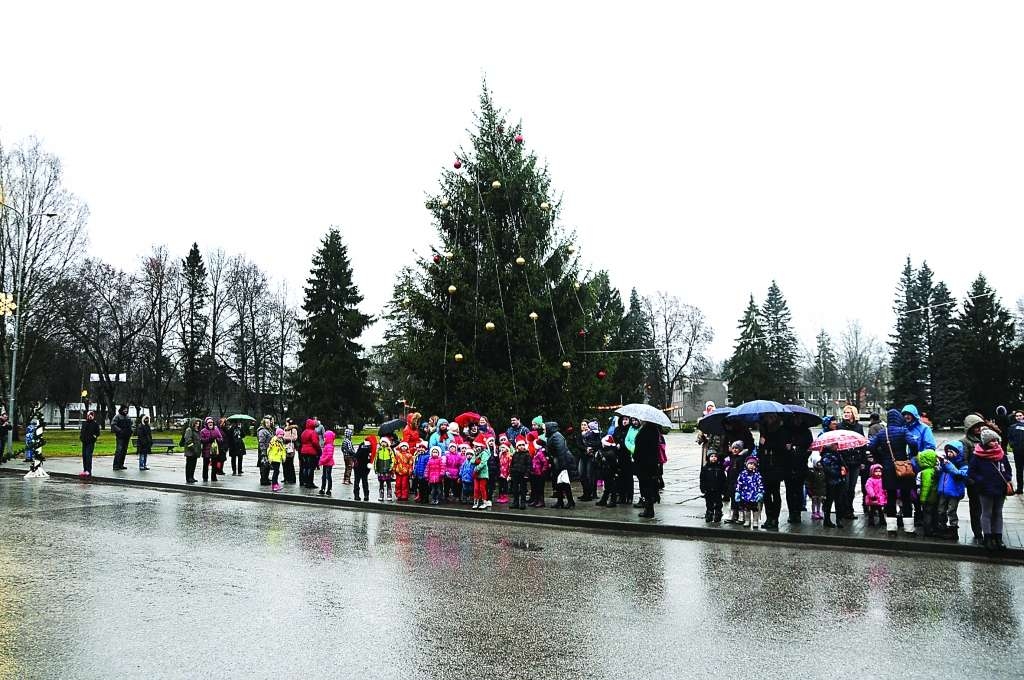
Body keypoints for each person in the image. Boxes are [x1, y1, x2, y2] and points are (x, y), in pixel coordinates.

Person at [869, 409, 914, 535]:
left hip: (888, 468)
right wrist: (911, 456)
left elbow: (871, 446)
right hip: (903, 467)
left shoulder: (882, 433)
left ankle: (891, 529)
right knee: (906, 498)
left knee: (890, 498)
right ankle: (909, 529)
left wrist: (881, 457)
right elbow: (913, 443)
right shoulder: (903, 431)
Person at [968, 429, 1013, 551]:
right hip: (985, 489)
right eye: (992, 440)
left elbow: (1008, 469)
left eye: (996, 440)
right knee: (986, 513)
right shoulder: (978, 456)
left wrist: (1007, 479)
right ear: (986, 442)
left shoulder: (1001, 453)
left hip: (1000, 488)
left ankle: (998, 537)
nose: (996, 443)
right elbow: (971, 472)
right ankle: (987, 537)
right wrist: (982, 480)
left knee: (998, 512)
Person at [756, 413, 788, 530]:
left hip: (776, 466)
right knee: (766, 494)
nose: (768, 419)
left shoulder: (781, 431)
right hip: (765, 466)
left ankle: (775, 518)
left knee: (775, 492)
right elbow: (761, 449)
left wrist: (767, 443)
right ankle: (769, 517)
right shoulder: (764, 430)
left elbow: (781, 448)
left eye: (770, 417)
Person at [959, 414, 986, 540]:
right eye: (976, 426)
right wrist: (969, 479)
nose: (979, 429)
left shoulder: (985, 439)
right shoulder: (965, 442)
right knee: (976, 507)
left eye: (980, 426)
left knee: (987, 507)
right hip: (973, 480)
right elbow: (963, 461)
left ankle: (988, 531)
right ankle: (977, 531)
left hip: (986, 479)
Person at [936, 441, 967, 539]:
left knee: (951, 511)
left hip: (954, 492)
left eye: (951, 452)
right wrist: (939, 466)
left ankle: (953, 530)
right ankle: (942, 527)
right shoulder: (946, 462)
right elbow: (940, 473)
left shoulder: (962, 464)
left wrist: (948, 465)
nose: (949, 454)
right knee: (941, 510)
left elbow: (959, 474)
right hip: (943, 491)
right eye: (948, 451)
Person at [838, 405, 865, 520]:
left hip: (856, 460)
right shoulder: (840, 426)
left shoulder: (859, 427)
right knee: (845, 486)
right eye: (845, 412)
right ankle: (844, 509)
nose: (846, 414)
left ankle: (850, 509)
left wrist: (863, 460)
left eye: (848, 412)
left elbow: (862, 444)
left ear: (853, 414)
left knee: (852, 488)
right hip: (844, 460)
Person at [633, 420, 661, 519]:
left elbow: (640, 448)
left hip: (644, 463)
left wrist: (635, 456)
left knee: (645, 486)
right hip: (651, 463)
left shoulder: (646, 431)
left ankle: (648, 510)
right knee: (648, 485)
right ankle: (649, 508)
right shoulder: (654, 430)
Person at [724, 440, 752, 524]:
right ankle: (733, 515)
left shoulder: (741, 458)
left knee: (739, 500)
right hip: (731, 481)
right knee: (733, 499)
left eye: (737, 448)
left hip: (739, 483)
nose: (735, 450)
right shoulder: (731, 458)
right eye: (733, 448)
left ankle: (741, 516)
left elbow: (742, 471)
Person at [914, 448, 940, 537]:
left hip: (928, 497)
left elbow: (926, 486)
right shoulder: (935, 470)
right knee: (935, 513)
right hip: (935, 496)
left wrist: (922, 498)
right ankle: (935, 528)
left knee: (927, 513)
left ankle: (928, 531)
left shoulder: (925, 472)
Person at [820, 445, 846, 528]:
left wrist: (844, 468)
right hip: (830, 481)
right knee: (829, 501)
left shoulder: (838, 454)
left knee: (839, 501)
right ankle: (827, 519)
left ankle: (839, 519)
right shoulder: (826, 456)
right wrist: (838, 473)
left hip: (839, 480)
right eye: (834, 444)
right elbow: (827, 469)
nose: (836, 446)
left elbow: (843, 465)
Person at [734, 456, 764, 529]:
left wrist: (760, 493)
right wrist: (738, 492)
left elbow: (760, 484)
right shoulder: (743, 474)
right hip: (745, 495)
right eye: (750, 464)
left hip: (754, 496)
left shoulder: (757, 474)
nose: (752, 466)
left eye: (754, 464)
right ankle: (747, 520)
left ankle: (755, 521)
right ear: (746, 464)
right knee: (746, 509)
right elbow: (739, 483)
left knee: (755, 509)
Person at [700, 450, 727, 522]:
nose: (714, 458)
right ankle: (709, 513)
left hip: (718, 489)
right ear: (708, 458)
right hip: (708, 489)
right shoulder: (705, 468)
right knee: (709, 502)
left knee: (718, 502)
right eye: (712, 456)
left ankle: (718, 513)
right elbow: (702, 479)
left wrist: (724, 488)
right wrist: (702, 487)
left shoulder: (720, 468)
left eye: (715, 456)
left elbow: (723, 479)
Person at [551, 433, 576, 510]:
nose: (544, 430)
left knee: (564, 482)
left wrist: (562, 465)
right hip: (559, 461)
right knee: (559, 482)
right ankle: (560, 501)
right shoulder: (554, 436)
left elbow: (561, 450)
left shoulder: (556, 436)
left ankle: (570, 501)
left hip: (562, 462)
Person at [509, 436, 531, 510]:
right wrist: (511, 473)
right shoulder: (515, 454)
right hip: (515, 474)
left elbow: (528, 465)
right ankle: (515, 502)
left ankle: (523, 503)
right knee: (515, 489)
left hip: (523, 474)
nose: (521, 446)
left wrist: (527, 474)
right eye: (519, 445)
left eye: (523, 445)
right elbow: (512, 464)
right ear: (517, 446)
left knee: (523, 489)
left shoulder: (527, 454)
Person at [199, 417, 224, 482]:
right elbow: (201, 440)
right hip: (206, 450)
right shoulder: (203, 431)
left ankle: (214, 477)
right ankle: (205, 477)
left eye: (211, 422)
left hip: (214, 450)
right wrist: (208, 439)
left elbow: (221, 438)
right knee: (205, 465)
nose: (210, 424)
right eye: (209, 423)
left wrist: (217, 439)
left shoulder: (216, 429)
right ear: (206, 424)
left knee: (214, 465)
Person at [299, 418, 321, 489]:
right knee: (311, 468)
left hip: (303, 451)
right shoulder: (313, 432)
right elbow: (315, 442)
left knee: (305, 467)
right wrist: (319, 450)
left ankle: (305, 481)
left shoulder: (304, 432)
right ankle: (310, 483)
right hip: (311, 452)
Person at [1007, 410, 1024, 494]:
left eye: (1020, 415)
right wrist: (1013, 445)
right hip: (1017, 451)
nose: (1018, 417)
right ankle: (1020, 488)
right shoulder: (1012, 427)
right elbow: (1009, 437)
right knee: (1019, 470)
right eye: (1017, 416)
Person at [110, 405, 133, 470]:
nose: (126, 410)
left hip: (127, 436)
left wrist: (131, 430)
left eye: (126, 409)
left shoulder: (128, 417)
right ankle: (115, 465)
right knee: (119, 450)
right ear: (121, 410)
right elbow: (113, 424)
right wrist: (120, 430)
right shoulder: (117, 416)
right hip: (120, 436)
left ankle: (121, 464)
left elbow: (131, 424)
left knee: (124, 450)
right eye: (124, 409)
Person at [806, 452, 827, 521]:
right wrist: (809, 490)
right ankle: (813, 512)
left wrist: (824, 490)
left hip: (821, 490)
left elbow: (824, 481)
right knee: (814, 501)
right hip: (814, 490)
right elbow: (809, 482)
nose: (819, 464)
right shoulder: (812, 472)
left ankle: (818, 511)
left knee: (819, 501)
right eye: (818, 463)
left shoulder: (823, 472)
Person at [79, 410, 101, 477]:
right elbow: (82, 431)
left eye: (91, 415)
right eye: (89, 415)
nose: (90, 416)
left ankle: (88, 471)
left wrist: (94, 437)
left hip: (90, 442)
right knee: (84, 456)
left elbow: (98, 433)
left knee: (88, 456)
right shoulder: (85, 423)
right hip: (84, 442)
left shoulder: (95, 424)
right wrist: (81, 438)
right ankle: (85, 470)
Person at [181, 419, 202, 483]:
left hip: (196, 451)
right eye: (196, 423)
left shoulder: (198, 431)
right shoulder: (189, 430)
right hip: (190, 451)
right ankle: (188, 478)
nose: (197, 425)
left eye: (198, 423)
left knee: (193, 465)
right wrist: (193, 448)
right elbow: (188, 440)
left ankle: (192, 477)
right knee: (189, 465)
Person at [374, 436, 395, 501]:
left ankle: (389, 495)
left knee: (388, 483)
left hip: (387, 469)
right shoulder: (378, 450)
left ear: (387, 443)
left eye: (385, 442)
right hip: (380, 469)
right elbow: (376, 459)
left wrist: (391, 467)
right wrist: (375, 468)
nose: (383, 443)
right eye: (382, 442)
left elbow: (393, 459)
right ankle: (381, 495)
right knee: (381, 483)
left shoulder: (389, 450)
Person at [529, 442, 550, 508]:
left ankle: (541, 501)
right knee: (536, 488)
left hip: (540, 473)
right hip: (535, 473)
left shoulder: (540, 453)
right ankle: (536, 500)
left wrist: (543, 471)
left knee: (540, 488)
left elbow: (545, 462)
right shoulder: (537, 452)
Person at [353, 436, 373, 501]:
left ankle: (356, 495)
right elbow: (370, 460)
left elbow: (356, 455)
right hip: (365, 467)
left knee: (357, 481)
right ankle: (366, 495)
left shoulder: (361, 445)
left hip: (357, 467)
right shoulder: (370, 448)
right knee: (365, 481)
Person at [472, 441, 490, 509]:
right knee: (476, 488)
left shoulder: (484, 453)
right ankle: (476, 502)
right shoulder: (476, 453)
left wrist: (477, 467)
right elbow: (472, 461)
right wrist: (476, 459)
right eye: (476, 446)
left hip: (483, 474)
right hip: (476, 474)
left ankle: (484, 502)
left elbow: (483, 463)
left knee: (482, 488)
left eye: (478, 446)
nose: (477, 448)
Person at [256, 417, 273, 486]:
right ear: (264, 423)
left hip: (268, 450)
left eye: (269, 422)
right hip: (264, 450)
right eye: (267, 423)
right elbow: (261, 442)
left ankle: (266, 478)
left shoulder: (268, 430)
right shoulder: (262, 431)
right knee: (264, 465)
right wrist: (263, 452)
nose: (269, 424)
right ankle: (263, 479)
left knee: (267, 465)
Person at [282, 418, 299, 484]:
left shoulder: (293, 429)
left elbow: (294, 438)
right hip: (284, 447)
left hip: (290, 447)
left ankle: (291, 478)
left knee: (290, 463)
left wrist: (285, 438)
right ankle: (286, 477)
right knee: (284, 463)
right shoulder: (285, 428)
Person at [319, 430, 335, 496]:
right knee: (324, 476)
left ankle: (328, 489)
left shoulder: (329, 446)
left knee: (327, 476)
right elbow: (324, 454)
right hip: (326, 463)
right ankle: (323, 488)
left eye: (325, 437)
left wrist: (322, 460)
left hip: (328, 463)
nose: (324, 439)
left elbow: (329, 456)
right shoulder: (327, 445)